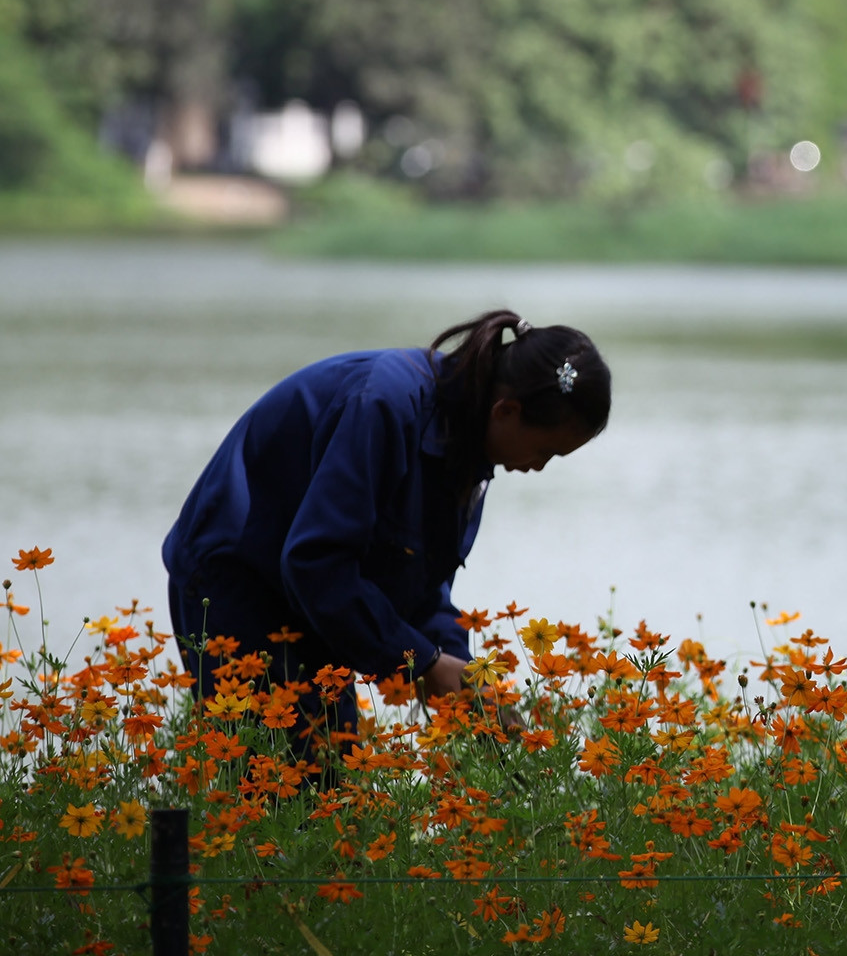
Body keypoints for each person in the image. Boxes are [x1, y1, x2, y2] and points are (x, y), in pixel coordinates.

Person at [162, 310, 610, 747]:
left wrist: (466, 678)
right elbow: (316, 562)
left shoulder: (471, 444)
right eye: (546, 451)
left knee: (332, 775)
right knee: (280, 782)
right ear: (506, 410)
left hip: (308, 593)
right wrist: (425, 664)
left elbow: (418, 588)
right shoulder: (385, 405)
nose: (538, 467)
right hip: (234, 582)